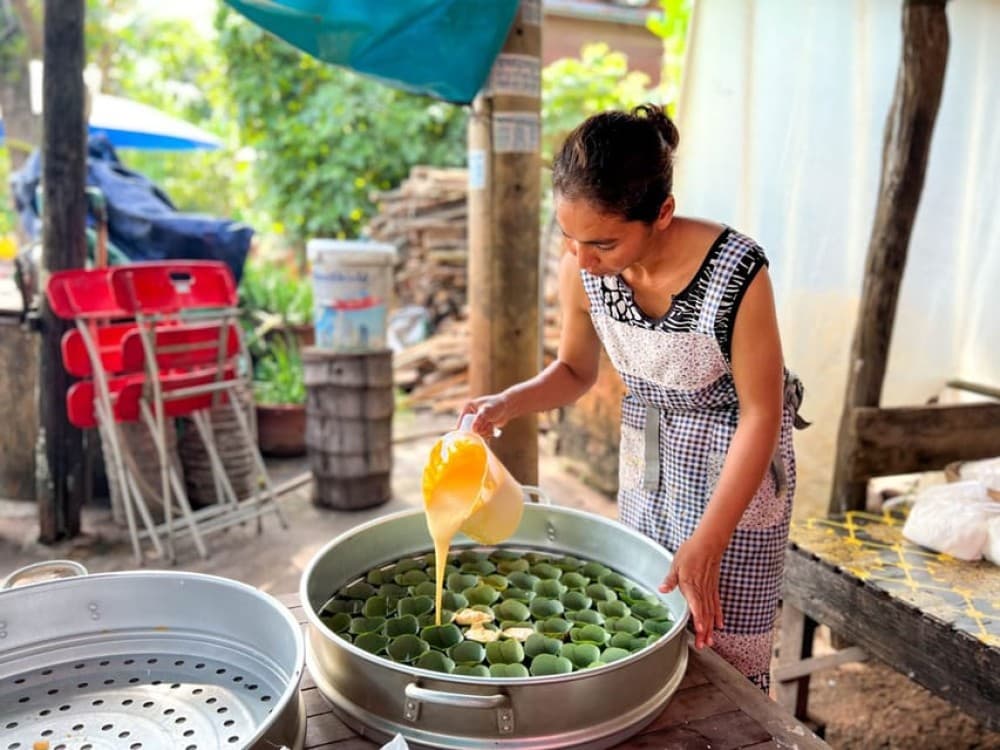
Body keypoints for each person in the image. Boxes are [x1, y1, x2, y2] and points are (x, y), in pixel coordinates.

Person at [460, 104, 806, 692]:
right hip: (647, 460)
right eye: (569, 238)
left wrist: (711, 537)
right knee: (646, 616)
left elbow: (761, 412)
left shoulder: (736, 272)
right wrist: (508, 403)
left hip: (734, 475)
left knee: (725, 647)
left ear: (662, 213)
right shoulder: (583, 263)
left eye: (602, 243)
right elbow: (574, 369)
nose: (583, 259)